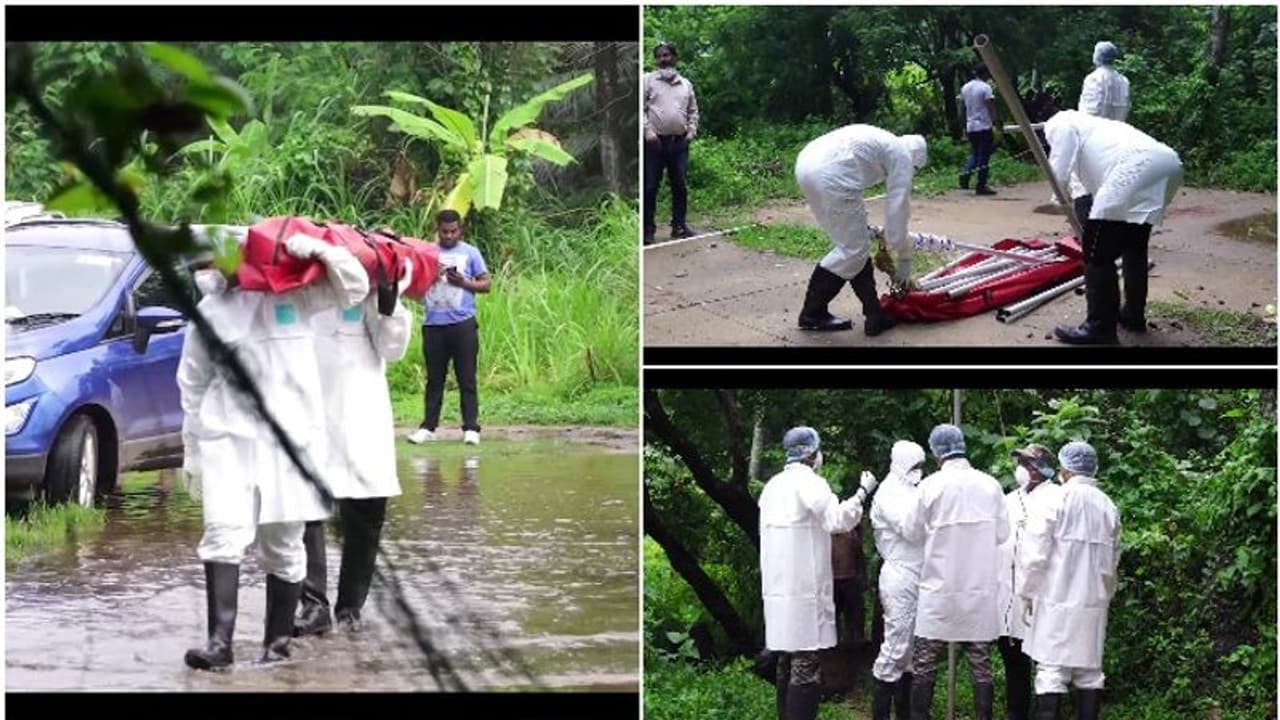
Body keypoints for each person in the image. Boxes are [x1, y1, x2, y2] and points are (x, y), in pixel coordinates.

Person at [179, 233, 370, 670]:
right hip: (228, 438)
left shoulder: (297, 296)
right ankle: (219, 645)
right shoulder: (209, 314)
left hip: (291, 442)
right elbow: (192, 383)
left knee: (283, 544)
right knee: (223, 534)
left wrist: (323, 252)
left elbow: (354, 288)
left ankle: (276, 646)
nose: (210, 271)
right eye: (204, 265)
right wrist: (191, 450)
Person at [293, 258, 415, 636]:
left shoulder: (369, 295)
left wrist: (389, 303)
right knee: (304, 506)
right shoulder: (299, 290)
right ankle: (313, 606)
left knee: (366, 511)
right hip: (309, 412)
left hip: (362, 417)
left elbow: (392, 348)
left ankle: (350, 608)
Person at [760, 426, 879, 720]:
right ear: (811, 454)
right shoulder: (810, 483)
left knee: (785, 659)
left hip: (778, 590)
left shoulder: (772, 486)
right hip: (804, 589)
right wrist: (863, 492)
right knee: (805, 662)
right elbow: (837, 519)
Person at [1044, 110, 1183, 344]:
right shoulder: (1099, 127)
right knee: (1134, 246)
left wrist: (1057, 196)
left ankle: (1099, 328)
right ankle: (1132, 314)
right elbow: (1091, 183)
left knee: (1097, 252)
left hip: (1135, 167)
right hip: (1168, 163)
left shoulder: (1060, 122)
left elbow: (1060, 161)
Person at [902, 424, 1009, 720]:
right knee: (980, 663)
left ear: (936, 454)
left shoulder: (930, 486)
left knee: (924, 663)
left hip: (938, 590)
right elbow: (1003, 534)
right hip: (979, 591)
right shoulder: (990, 485)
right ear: (963, 447)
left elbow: (911, 532)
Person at [1020, 441, 1121, 720]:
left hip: (1055, 600)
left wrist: (1026, 593)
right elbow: (1113, 562)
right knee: (1090, 674)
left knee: (1051, 673)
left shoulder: (1056, 500)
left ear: (1064, 469)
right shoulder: (1107, 506)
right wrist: (1104, 596)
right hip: (1092, 604)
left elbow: (1035, 554)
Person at [793, 124, 927, 335]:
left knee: (854, 247)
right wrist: (901, 252)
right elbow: (898, 208)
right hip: (833, 174)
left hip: (807, 165)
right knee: (852, 250)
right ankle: (812, 314)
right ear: (914, 160)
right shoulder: (902, 156)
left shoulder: (884, 141)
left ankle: (874, 314)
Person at [407, 210, 491, 445]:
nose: (449, 236)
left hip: (463, 324)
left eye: (453, 231)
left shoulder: (470, 253)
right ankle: (428, 427)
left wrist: (463, 282)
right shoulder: (427, 253)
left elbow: (486, 284)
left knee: (467, 378)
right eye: (444, 232)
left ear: (460, 229)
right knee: (435, 379)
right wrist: (430, 277)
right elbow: (413, 286)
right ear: (438, 230)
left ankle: (471, 428)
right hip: (434, 325)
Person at [996, 445, 1065, 720]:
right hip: (1009, 594)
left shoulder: (1058, 498)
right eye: (1021, 462)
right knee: (1014, 660)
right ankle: (1016, 712)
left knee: (1047, 664)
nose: (1022, 468)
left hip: (1044, 592)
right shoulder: (1008, 500)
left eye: (1028, 463)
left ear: (1042, 469)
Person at [869, 440, 927, 720]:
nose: (919, 471)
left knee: (913, 653)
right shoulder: (888, 493)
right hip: (900, 575)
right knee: (896, 646)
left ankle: (906, 714)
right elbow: (911, 530)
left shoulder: (910, 489)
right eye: (915, 466)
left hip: (918, 574)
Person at [643, 42, 700, 245]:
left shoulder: (685, 84)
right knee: (650, 186)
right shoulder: (647, 81)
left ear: (675, 57)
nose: (663, 59)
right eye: (659, 56)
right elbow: (640, 109)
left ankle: (679, 226)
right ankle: (647, 231)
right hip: (653, 144)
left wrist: (691, 133)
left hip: (679, 143)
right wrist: (648, 133)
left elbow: (693, 111)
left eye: (667, 55)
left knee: (680, 185)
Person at [959, 65, 1000, 196]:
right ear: (985, 73)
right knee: (984, 156)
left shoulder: (965, 87)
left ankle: (966, 173)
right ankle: (981, 185)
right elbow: (991, 107)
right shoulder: (985, 88)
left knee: (976, 153)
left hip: (971, 126)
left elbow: (962, 108)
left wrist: (963, 125)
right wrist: (997, 123)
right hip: (983, 126)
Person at [1079, 41, 1130, 122]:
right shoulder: (1123, 81)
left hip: (1095, 130)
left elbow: (1089, 111)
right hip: (1117, 129)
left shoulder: (1093, 78)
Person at [830, 527, 864, 647]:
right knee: (833, 615)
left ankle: (855, 642)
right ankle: (835, 643)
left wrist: (861, 577)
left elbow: (859, 557)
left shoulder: (852, 534)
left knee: (854, 613)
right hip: (832, 581)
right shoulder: (826, 535)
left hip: (851, 579)